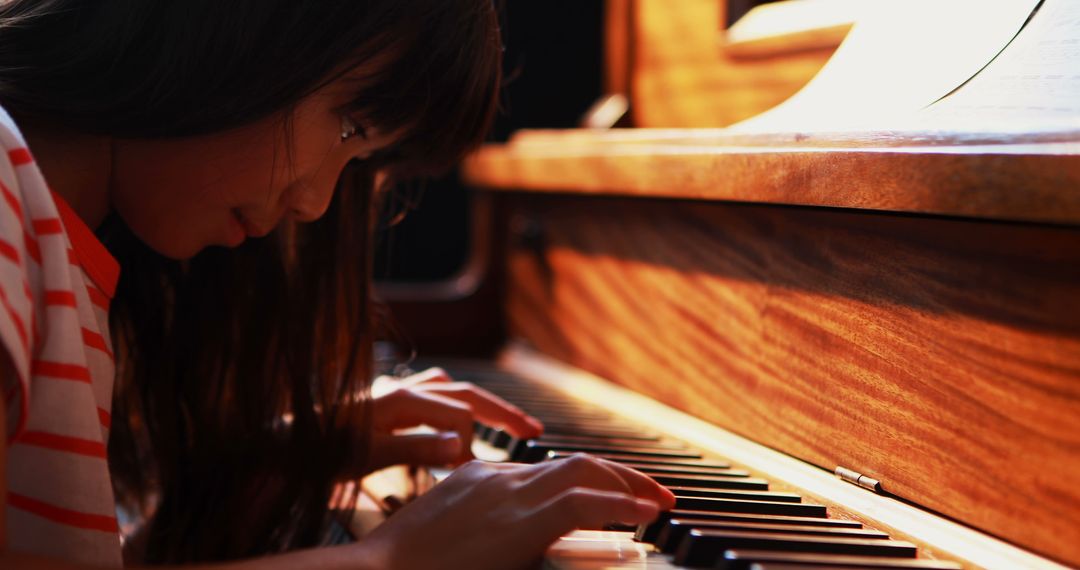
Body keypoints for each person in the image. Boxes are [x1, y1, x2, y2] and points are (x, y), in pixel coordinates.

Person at [0, 1, 674, 569]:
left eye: (357, 158)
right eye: (349, 125)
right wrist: (385, 560)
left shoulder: (53, 243)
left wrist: (245, 483)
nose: (316, 204)